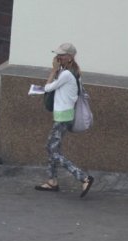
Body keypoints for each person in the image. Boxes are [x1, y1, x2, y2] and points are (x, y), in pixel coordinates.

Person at [35, 42, 94, 198]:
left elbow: (47, 88)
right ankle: (52, 181)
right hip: (65, 115)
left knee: (51, 148)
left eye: (61, 55)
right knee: (54, 148)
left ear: (70, 57)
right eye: (57, 55)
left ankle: (84, 177)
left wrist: (53, 70)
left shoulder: (66, 74)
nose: (58, 57)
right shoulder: (71, 72)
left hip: (63, 116)